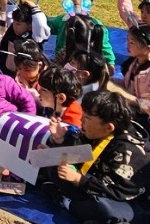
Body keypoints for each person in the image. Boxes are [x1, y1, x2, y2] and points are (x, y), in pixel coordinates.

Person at [43, 90, 149, 224]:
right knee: (51, 162)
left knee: (104, 209)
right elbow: (81, 150)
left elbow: (119, 192)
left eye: (87, 118)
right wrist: (58, 141)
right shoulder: (97, 131)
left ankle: (64, 200)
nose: (81, 120)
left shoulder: (127, 151)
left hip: (123, 201)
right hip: (92, 181)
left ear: (108, 127)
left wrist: (78, 179)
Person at [118, 24, 150, 126]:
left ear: (147, 48)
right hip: (131, 109)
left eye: (132, 43)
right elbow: (127, 85)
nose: (127, 45)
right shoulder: (133, 63)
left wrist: (132, 100)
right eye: (127, 41)